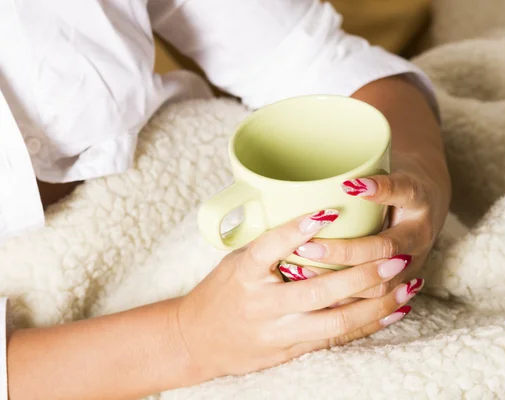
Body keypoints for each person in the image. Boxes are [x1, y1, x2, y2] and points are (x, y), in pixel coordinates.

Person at [0, 1, 450, 398]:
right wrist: (188, 338)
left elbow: (316, 58)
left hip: (209, 189)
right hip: (99, 352)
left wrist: (418, 173)